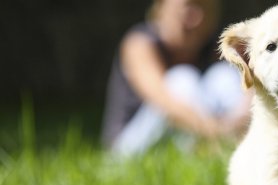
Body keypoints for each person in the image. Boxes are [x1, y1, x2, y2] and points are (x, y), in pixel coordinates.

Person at [101, 0, 250, 156]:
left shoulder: (215, 46)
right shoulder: (139, 43)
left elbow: (250, 91)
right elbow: (164, 100)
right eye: (188, 7)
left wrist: (237, 122)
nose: (196, 18)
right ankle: (222, 146)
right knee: (181, 79)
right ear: (162, 7)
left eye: (204, 9)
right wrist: (216, 133)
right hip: (128, 148)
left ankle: (242, 144)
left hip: (199, 137)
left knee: (223, 76)